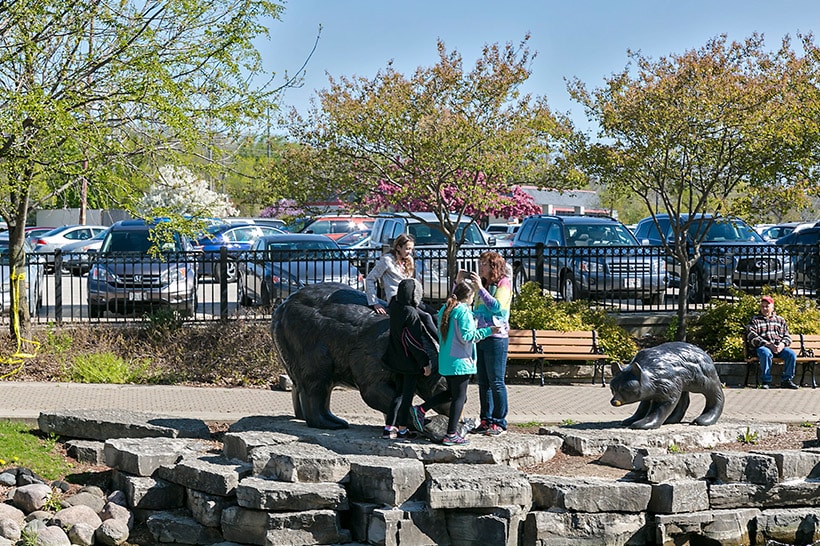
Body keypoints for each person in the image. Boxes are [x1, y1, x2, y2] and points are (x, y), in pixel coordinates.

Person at [431, 280, 500, 446]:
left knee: (452, 394)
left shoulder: (445, 309)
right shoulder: (463, 311)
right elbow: (468, 336)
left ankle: (421, 409)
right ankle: (451, 434)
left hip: (447, 360)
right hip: (461, 362)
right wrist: (489, 330)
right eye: (472, 297)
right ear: (468, 296)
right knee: (459, 398)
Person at [381, 279, 439, 439]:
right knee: (407, 395)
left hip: (396, 358)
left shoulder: (396, 307)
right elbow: (414, 342)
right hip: (409, 362)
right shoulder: (411, 313)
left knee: (397, 394)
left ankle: (388, 427)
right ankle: (402, 428)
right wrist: (425, 362)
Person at [469, 251, 512, 436]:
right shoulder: (484, 284)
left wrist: (480, 289)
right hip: (481, 335)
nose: (480, 268)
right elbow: (476, 309)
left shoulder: (504, 283)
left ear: (494, 266)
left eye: (484, 264)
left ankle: (499, 421)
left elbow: (498, 308)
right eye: (480, 264)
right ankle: (486, 419)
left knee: (496, 380)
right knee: (483, 381)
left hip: (497, 337)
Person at [747, 295, 798, 389]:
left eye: (767, 306)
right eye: (762, 306)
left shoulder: (780, 320)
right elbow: (752, 336)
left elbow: (787, 336)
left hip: (779, 347)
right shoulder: (755, 320)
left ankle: (787, 380)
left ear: (772, 307)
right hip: (764, 347)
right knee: (765, 353)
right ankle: (766, 381)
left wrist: (782, 345)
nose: (764, 309)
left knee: (791, 354)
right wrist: (768, 344)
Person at [365, 233, 416, 315]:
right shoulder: (387, 260)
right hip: (395, 299)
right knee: (425, 317)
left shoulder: (409, 260)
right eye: (407, 249)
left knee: (432, 314)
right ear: (398, 247)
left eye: (411, 249)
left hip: (409, 298)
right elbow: (370, 279)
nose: (409, 252)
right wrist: (374, 303)